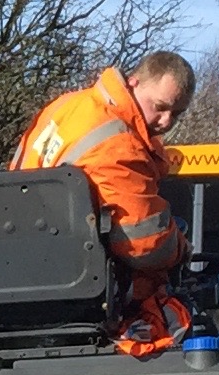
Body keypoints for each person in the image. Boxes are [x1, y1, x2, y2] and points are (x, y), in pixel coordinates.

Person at [11, 51, 196, 355]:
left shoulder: (67, 106)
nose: (166, 121)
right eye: (160, 107)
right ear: (134, 83)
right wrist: (181, 248)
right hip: (72, 278)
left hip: (23, 261)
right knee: (175, 315)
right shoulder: (117, 144)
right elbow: (144, 241)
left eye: (177, 114)